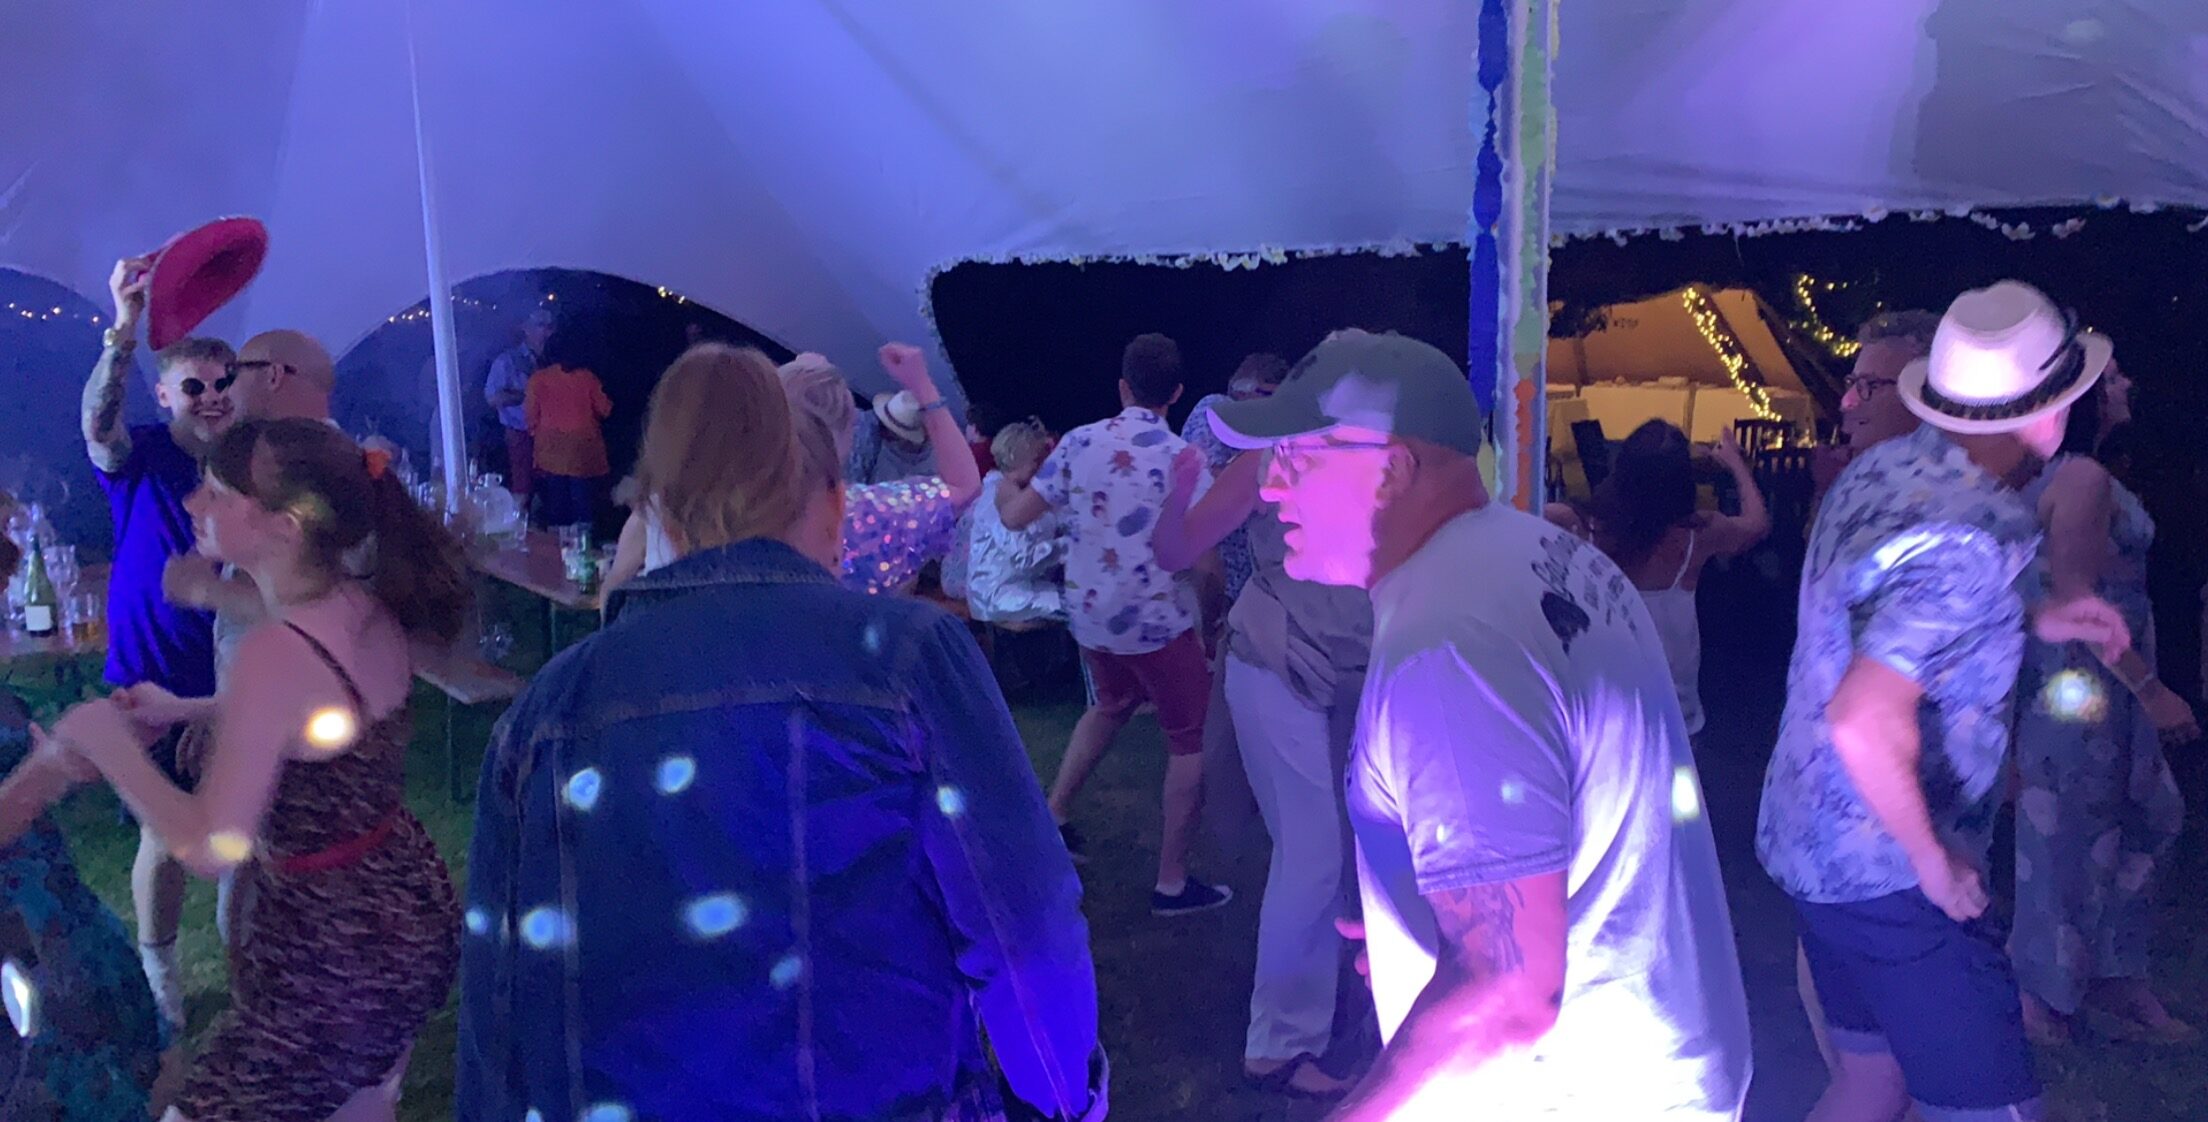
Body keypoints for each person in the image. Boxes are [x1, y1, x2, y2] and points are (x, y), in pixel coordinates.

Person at [458, 345, 1106, 1122]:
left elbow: (499, 1002)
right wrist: (1067, 1096)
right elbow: (1022, 920)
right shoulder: (905, 660)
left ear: (663, 516)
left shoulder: (546, 711)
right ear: (832, 501)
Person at [1201, 329, 1751, 1119]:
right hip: (1651, 1061)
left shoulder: (1449, 643)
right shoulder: (1538, 556)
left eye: (1295, 456)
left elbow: (1508, 990)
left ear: (1391, 470)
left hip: (1577, 1092)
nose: (1271, 486)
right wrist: (1407, 911)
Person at [1757, 282, 2133, 1122]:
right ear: (2050, 413)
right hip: (1895, 874)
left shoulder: (1884, 469)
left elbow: (1891, 609)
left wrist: (2037, 611)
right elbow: (1863, 715)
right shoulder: (1975, 531)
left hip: (1809, 847)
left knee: (1870, 1082)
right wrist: (1933, 859)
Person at [47, 418, 468, 1122]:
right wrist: (186, 707)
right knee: (357, 1104)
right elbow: (316, 717)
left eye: (217, 492)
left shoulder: (276, 651)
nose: (193, 503)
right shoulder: (360, 606)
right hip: (400, 914)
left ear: (286, 526)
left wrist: (106, 742)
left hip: (329, 957)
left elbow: (212, 847)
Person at [1153, 406, 1373, 1101]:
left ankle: (1319, 1008)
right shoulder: (1271, 457)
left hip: (1346, 670)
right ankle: (1279, 1045)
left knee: (1322, 851)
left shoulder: (1391, 453)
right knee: (1314, 855)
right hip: (1278, 658)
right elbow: (1174, 550)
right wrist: (1176, 494)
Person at [997, 333, 1232, 915]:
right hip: (1154, 623)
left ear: (1123, 386)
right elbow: (1207, 564)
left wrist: (1007, 481)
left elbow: (1016, 517)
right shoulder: (1184, 459)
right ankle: (1171, 883)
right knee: (1191, 740)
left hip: (1092, 618)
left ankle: (1053, 817)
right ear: (1176, 393)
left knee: (1110, 704)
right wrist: (1212, 621)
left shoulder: (1079, 442)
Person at [2011, 358, 2196, 1045]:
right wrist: (2152, 690)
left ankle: (2111, 975)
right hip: (2083, 682)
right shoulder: (2081, 478)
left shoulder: (2070, 473)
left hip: (2096, 677)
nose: (2125, 385)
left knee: (2146, 813)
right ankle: (2041, 995)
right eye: (2112, 378)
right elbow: (2076, 600)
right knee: (2066, 831)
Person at [79, 254, 236, 1029]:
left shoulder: (254, 465)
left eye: (222, 382)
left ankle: (254, 966)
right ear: (166, 395)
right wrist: (126, 327)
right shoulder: (139, 453)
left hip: (236, 674)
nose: (211, 396)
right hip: (150, 675)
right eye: (193, 386)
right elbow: (96, 425)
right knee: (166, 831)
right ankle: (160, 972)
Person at [0, 686, 169, 1122]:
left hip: (61, 912)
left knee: (141, 1068)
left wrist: (93, 744)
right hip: (14, 956)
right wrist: (45, 771)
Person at [1555, 422, 1769, 736]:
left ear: (1621, 472)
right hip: (1675, 720)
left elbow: (1514, 511)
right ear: (1683, 482)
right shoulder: (1698, 536)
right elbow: (1757, 523)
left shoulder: (1585, 528)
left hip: (1607, 717)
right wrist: (1736, 464)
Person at [774, 345, 981, 593]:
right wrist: (922, 385)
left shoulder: (733, 490)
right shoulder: (864, 515)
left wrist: (791, 383)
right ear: (848, 434)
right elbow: (965, 486)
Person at [1180, 353, 1289, 610]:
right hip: (1207, 581)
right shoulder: (1215, 409)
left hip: (1249, 589)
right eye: (1267, 396)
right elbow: (1213, 484)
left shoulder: (1270, 436)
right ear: (1243, 389)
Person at [1811, 310, 1939, 506]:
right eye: (1852, 383)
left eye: (1871, 385)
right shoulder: (1863, 486)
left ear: (1921, 394)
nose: (1846, 401)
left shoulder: (1942, 498)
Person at [962, 419, 1066, 624]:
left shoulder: (1025, 491)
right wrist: (1071, 545)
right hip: (998, 595)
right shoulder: (997, 500)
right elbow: (1024, 559)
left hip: (1025, 584)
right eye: (1037, 460)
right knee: (1081, 608)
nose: (1043, 464)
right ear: (1019, 460)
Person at [524, 336, 614, 528]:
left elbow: (530, 416)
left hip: (550, 452)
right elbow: (605, 409)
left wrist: (537, 435)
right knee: (583, 503)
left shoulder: (538, 379)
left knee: (556, 503)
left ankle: (557, 541)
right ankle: (584, 541)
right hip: (583, 453)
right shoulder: (588, 378)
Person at [483, 307, 555, 515]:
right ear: (526, 328)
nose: (546, 332)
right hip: (520, 433)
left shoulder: (555, 361)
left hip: (551, 435)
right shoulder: (507, 361)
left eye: (550, 327)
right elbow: (492, 397)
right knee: (523, 488)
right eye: (540, 326)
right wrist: (527, 395)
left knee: (552, 491)